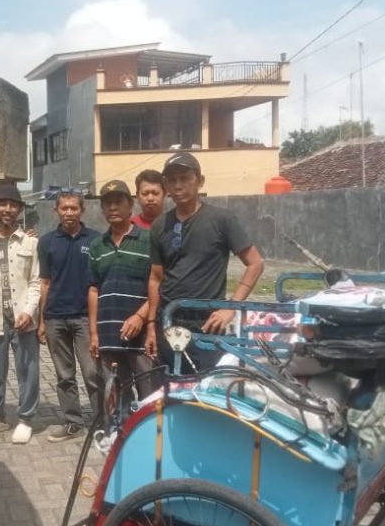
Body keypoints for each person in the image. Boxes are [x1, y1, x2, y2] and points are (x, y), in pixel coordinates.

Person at [145, 151, 265, 373]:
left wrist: (230, 308)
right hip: (169, 320)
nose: (178, 185)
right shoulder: (160, 225)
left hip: (208, 324)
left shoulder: (221, 220)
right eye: (172, 180)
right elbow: (155, 278)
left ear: (200, 181)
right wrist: (151, 325)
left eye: (184, 178)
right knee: (172, 384)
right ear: (166, 186)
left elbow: (255, 263)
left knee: (209, 385)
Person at [37, 190, 102, 442]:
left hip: (85, 317)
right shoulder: (47, 242)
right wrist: (42, 320)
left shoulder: (95, 240)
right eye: (64, 208)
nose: (69, 212)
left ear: (82, 210)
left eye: (74, 208)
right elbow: (45, 282)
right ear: (56, 211)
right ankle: (72, 422)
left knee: (92, 373)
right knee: (64, 376)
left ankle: (102, 422)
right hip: (55, 317)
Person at [0, 185, 41, 444]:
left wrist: (29, 311)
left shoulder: (31, 242)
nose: (7, 209)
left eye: (13, 204)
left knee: (27, 370)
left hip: (22, 318)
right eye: (2, 204)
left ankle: (25, 419)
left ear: (20, 209)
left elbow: (36, 282)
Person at [88, 179, 157, 400]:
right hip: (109, 336)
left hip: (142, 337)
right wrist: (94, 334)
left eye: (118, 202)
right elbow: (93, 290)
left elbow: (159, 285)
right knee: (116, 400)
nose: (113, 207)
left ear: (131, 205)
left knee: (151, 397)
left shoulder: (149, 240)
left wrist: (140, 317)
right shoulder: (97, 245)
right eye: (107, 203)